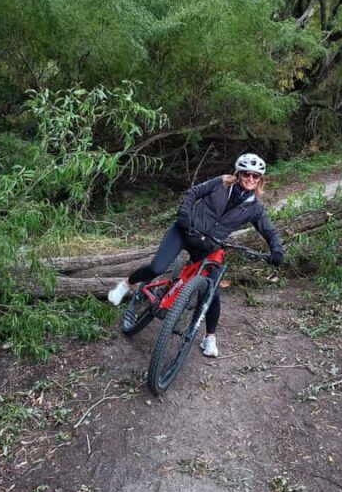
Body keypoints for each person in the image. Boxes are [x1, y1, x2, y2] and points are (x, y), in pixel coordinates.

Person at [107, 153, 284, 358]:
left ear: (260, 180)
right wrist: (183, 215)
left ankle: (209, 337)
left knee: (212, 291)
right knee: (157, 268)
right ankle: (126, 284)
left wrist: (277, 250)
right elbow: (193, 193)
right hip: (184, 231)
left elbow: (269, 231)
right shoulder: (221, 183)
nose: (251, 179)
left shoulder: (255, 208)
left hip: (209, 246)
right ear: (239, 173)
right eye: (247, 174)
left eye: (256, 176)